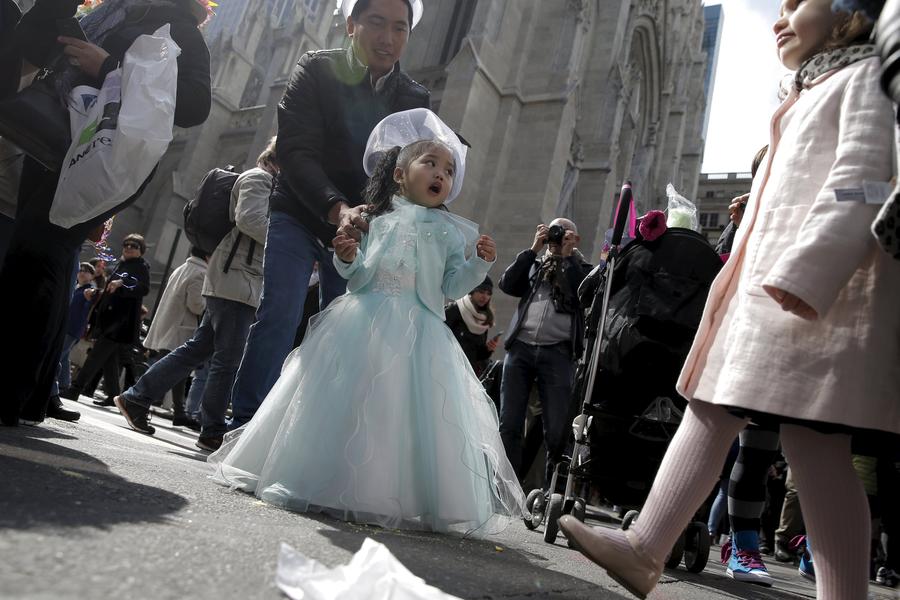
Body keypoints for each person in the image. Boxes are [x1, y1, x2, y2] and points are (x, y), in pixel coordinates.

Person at [559, 4, 899, 600]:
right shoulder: (805, 92)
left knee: (799, 441)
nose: (780, 16)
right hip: (764, 298)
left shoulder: (863, 82)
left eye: (798, 3)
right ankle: (645, 548)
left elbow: (865, 184)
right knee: (725, 411)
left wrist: (810, 273)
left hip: (815, 301)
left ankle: (651, 549)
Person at [209, 109, 525, 536]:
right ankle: (320, 477)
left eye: (449, 170)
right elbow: (358, 277)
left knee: (398, 409)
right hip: (364, 317)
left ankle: (381, 490)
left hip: (422, 331)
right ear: (399, 173)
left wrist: (476, 263)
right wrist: (347, 256)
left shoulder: (450, 233)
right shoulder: (374, 220)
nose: (440, 174)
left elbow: (450, 287)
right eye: (429, 162)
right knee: (345, 398)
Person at [0, 0, 211, 427]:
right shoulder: (112, 14)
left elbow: (194, 104)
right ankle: (31, 391)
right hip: (57, 142)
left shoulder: (180, 29)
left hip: (104, 158)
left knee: (37, 252)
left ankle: (12, 387)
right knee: (48, 257)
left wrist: (110, 66)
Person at [226, 0, 430, 430]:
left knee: (343, 327)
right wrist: (337, 207)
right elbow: (296, 151)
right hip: (301, 209)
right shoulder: (316, 69)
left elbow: (404, 175)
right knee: (279, 311)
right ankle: (243, 423)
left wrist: (374, 217)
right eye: (377, 23)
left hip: (358, 229)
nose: (388, 38)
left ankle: (310, 433)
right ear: (352, 24)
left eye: (399, 28)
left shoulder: (415, 98)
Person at [115, 140, 277, 450]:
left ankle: (136, 397)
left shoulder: (270, 183)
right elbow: (250, 220)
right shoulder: (259, 178)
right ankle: (212, 428)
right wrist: (287, 238)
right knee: (227, 360)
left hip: (239, 279)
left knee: (198, 350)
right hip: (235, 280)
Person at [497, 218, 592, 485]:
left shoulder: (582, 268)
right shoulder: (534, 264)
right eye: (554, 230)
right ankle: (506, 489)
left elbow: (583, 294)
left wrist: (568, 257)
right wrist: (532, 249)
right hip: (521, 349)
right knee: (509, 424)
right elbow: (507, 284)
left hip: (558, 355)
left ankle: (554, 494)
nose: (558, 235)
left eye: (563, 232)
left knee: (556, 431)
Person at [63, 234, 151, 404]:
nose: (129, 247)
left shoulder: (141, 267)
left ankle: (75, 389)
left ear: (141, 250)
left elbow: (143, 288)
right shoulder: (122, 264)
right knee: (110, 360)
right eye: (126, 244)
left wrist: (122, 282)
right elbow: (109, 291)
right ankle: (113, 396)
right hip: (109, 320)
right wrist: (97, 294)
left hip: (120, 323)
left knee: (95, 356)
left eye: (134, 246)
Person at [142, 246, 208, 428]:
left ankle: (179, 412)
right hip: (180, 329)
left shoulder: (182, 268)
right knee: (167, 370)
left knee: (177, 372)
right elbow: (196, 306)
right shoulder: (201, 273)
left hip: (169, 326)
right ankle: (139, 400)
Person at [443, 276, 499, 378]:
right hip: (450, 368)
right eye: (481, 292)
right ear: (472, 291)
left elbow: (477, 355)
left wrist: (488, 349)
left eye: (488, 293)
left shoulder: (483, 319)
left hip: (470, 374)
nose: (485, 297)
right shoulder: (455, 309)